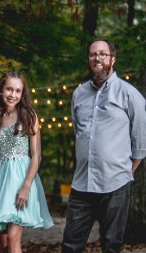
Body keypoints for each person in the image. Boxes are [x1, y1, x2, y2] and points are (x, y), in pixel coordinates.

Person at [62, 39, 146, 253]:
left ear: (112, 59)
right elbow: (79, 132)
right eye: (92, 54)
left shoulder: (129, 93)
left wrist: (126, 171)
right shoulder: (78, 94)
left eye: (102, 54)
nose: (97, 58)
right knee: (70, 245)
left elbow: (140, 139)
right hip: (81, 184)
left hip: (115, 185)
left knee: (111, 246)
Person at [0, 70, 54, 253]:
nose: (13, 94)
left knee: (13, 238)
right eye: (9, 89)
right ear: (1, 90)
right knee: (4, 244)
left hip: (20, 180)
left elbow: (37, 155)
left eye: (18, 91)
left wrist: (26, 186)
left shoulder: (29, 116)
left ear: (22, 93)